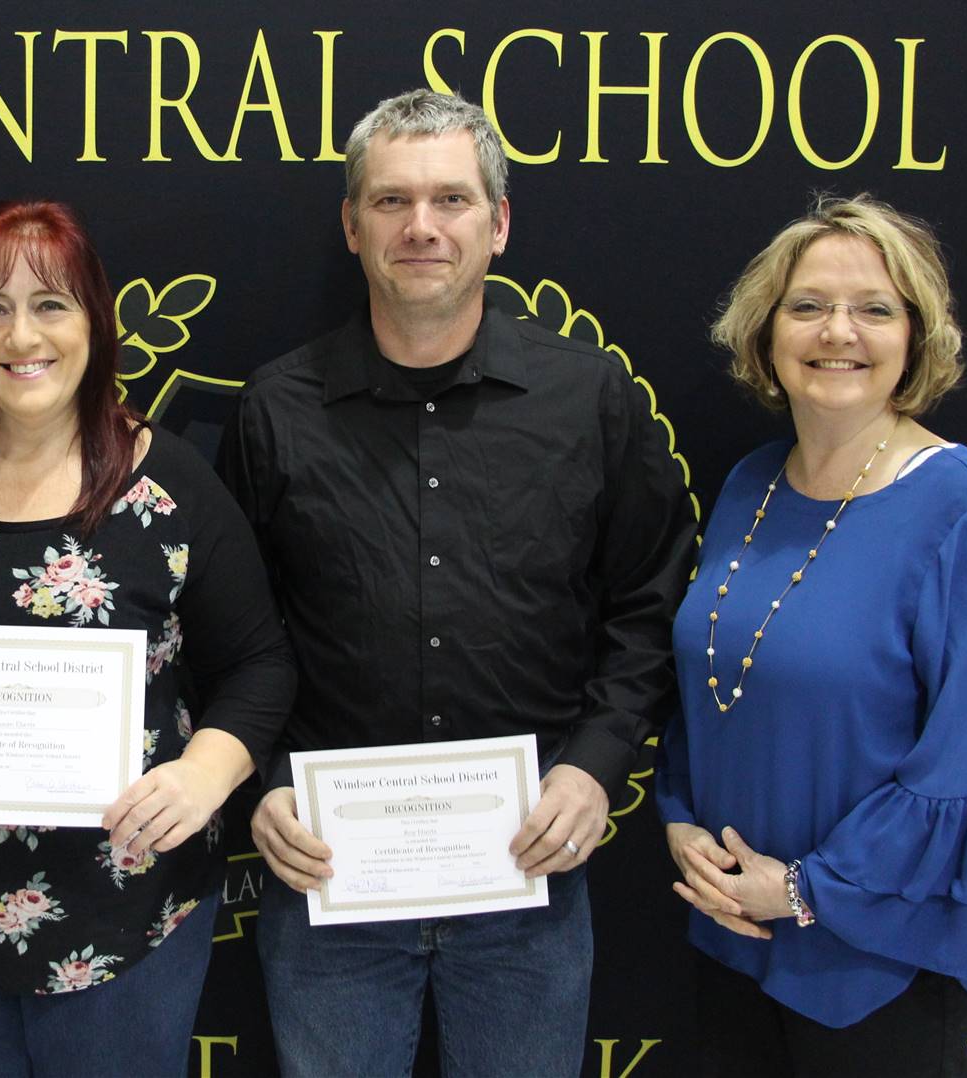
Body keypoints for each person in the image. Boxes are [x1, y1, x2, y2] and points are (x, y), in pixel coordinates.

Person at [219, 88, 696, 1076]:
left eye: (451, 200)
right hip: (330, 884)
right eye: (390, 202)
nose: (422, 227)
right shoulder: (277, 408)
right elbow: (230, 630)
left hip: (526, 879)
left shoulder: (586, 397)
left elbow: (652, 598)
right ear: (352, 227)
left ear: (500, 223)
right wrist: (256, 784)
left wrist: (594, 761)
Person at [0, 199, 293, 1076]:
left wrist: (204, 775)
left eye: (52, 304)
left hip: (125, 926)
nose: (21, 334)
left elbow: (260, 663)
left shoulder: (169, 482)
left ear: (95, 324)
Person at [655, 194, 967, 1077]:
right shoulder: (751, 484)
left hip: (875, 960)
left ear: (916, 336)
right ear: (766, 333)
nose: (839, 332)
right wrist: (680, 822)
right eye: (808, 306)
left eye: (873, 309)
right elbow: (711, 684)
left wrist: (800, 891)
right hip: (733, 937)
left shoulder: (965, 509)